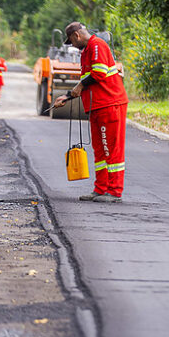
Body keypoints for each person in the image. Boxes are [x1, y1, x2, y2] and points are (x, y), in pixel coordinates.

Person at [53, 22, 128, 203]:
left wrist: (77, 87)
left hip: (110, 104)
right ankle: (100, 188)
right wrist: (67, 96)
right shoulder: (87, 51)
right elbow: (88, 82)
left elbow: (99, 73)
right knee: (100, 150)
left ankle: (114, 191)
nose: (73, 47)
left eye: (71, 41)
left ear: (76, 35)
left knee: (111, 149)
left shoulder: (97, 45)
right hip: (98, 106)